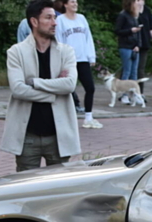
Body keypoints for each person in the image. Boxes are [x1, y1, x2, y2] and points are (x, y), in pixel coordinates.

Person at [2, 0, 80, 171]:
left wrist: (35, 82)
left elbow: (69, 85)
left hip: (59, 136)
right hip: (27, 136)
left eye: (55, 18)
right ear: (34, 21)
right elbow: (18, 89)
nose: (55, 23)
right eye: (49, 18)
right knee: (27, 191)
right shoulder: (16, 51)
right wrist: (53, 94)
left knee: (59, 189)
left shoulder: (66, 51)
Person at [56, 0, 101, 128]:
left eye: (76, 1)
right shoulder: (60, 20)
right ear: (65, 4)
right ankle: (66, 118)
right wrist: (62, 60)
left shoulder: (82, 18)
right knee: (68, 89)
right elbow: (59, 41)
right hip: (69, 60)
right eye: (72, 1)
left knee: (90, 88)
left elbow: (88, 37)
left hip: (83, 59)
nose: (75, 4)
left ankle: (88, 117)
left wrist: (91, 56)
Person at [114, 0, 141, 85]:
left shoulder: (134, 16)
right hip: (125, 46)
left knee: (134, 72)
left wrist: (138, 45)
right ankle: (123, 94)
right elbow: (117, 30)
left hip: (134, 47)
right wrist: (130, 30)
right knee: (127, 71)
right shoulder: (123, 15)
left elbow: (138, 33)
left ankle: (133, 94)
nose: (137, 3)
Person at [135, 0, 152, 80]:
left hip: (144, 43)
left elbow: (151, 28)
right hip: (133, 44)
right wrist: (137, 9)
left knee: (141, 68)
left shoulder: (147, 10)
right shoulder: (130, 11)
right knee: (130, 68)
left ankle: (140, 91)